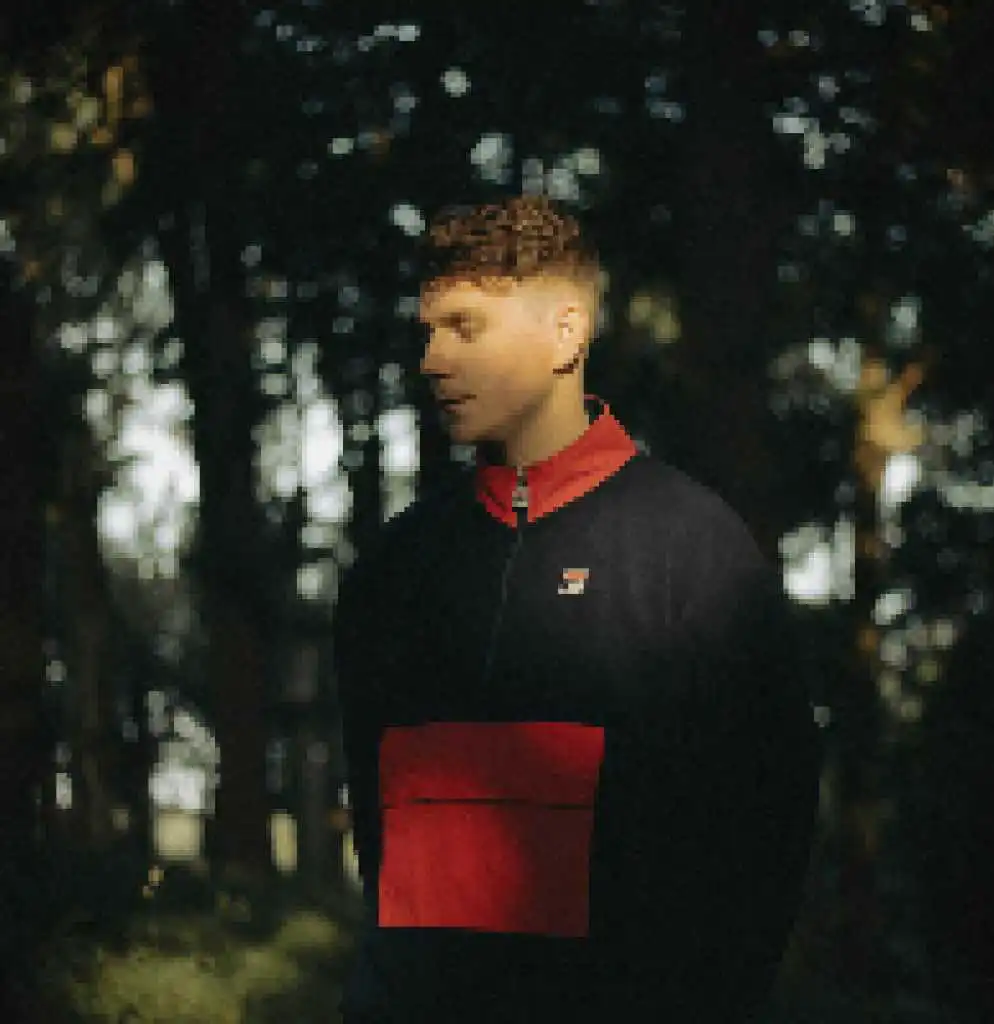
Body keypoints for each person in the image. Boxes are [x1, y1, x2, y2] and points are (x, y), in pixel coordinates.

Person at [335, 194, 822, 1023]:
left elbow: (767, 826)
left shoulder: (696, 553)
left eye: (466, 328)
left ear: (567, 333)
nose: (433, 360)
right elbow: (380, 832)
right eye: (429, 331)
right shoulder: (394, 569)